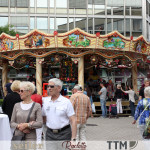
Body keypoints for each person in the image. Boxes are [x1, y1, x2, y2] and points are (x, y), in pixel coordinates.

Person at [42, 78, 77, 150]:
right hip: (49, 134)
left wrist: (73, 139)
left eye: (51, 86)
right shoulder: (45, 101)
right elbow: (43, 118)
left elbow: (73, 120)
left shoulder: (66, 102)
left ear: (59, 88)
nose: (49, 88)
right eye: (48, 86)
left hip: (64, 134)